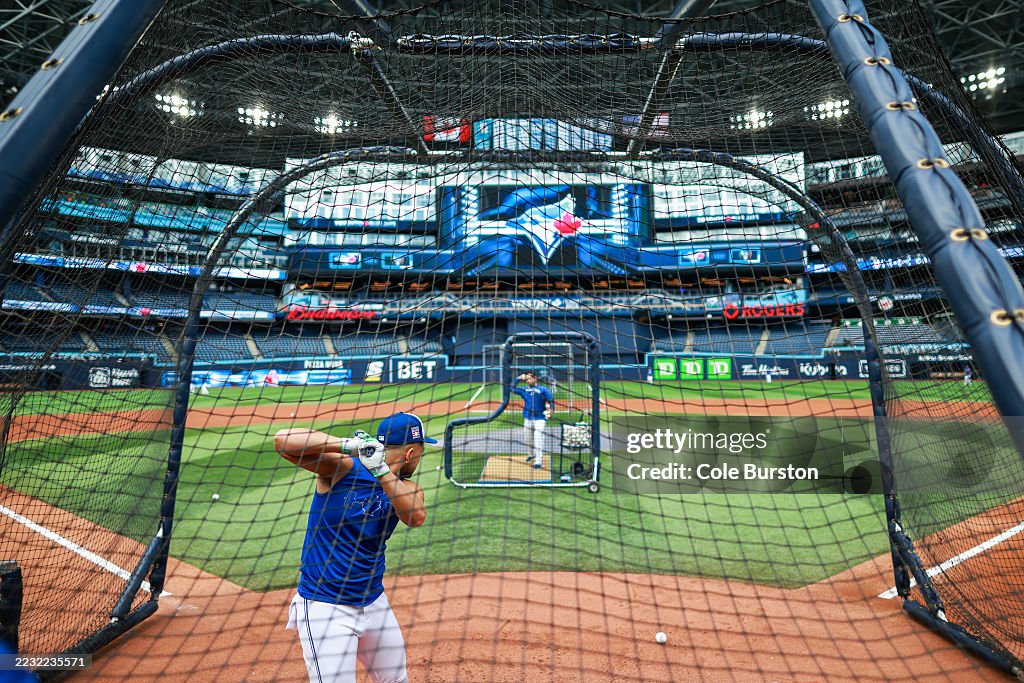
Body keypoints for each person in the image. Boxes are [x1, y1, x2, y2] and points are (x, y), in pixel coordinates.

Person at [275, 412, 434, 683]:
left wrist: (381, 470)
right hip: (325, 606)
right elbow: (283, 441)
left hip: (373, 601)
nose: (420, 459)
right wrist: (347, 445)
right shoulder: (342, 469)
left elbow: (415, 517)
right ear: (410, 454)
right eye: (421, 452)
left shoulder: (408, 489)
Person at [511, 371, 555, 469]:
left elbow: (551, 400)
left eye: (529, 378)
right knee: (528, 439)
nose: (528, 381)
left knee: (538, 438)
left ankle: (538, 461)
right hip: (528, 418)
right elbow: (511, 388)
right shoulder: (524, 390)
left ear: (535, 378)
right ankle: (531, 454)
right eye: (526, 379)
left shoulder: (543, 389)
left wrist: (551, 410)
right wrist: (518, 379)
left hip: (540, 418)